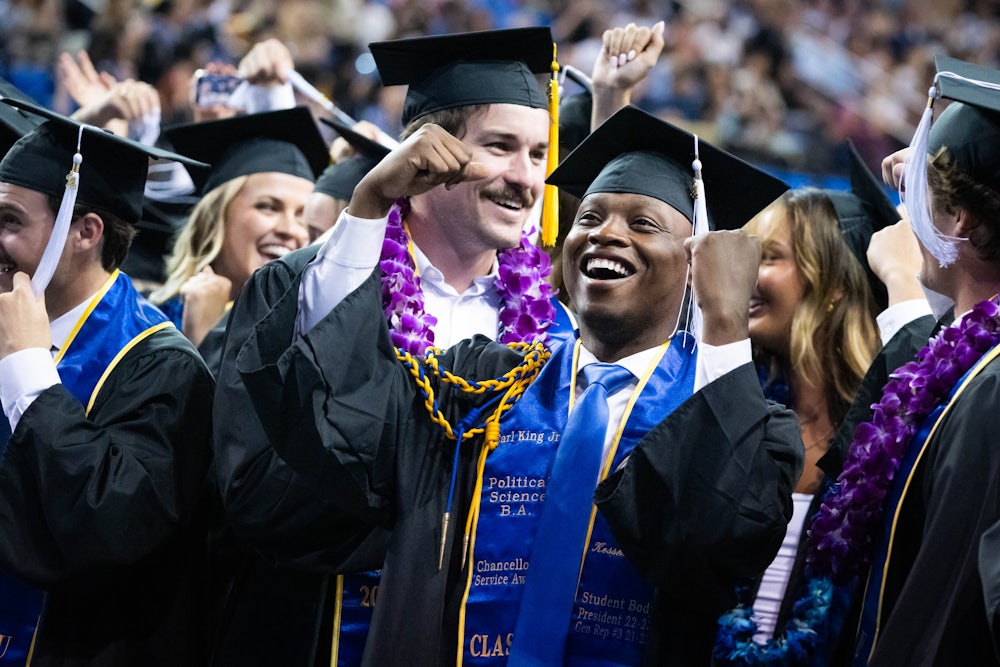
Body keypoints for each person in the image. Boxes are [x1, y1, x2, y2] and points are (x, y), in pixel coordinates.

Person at [218, 104, 802, 666]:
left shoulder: (747, 422)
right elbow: (341, 422)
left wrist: (725, 327)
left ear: (696, 260)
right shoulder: (482, 381)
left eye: (642, 224)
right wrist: (369, 207)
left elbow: (721, 541)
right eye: (590, 217)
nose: (604, 235)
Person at [212, 27, 580, 667]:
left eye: (537, 153)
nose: (526, 178)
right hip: (309, 631)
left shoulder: (553, 329)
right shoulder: (299, 285)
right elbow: (254, 488)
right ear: (427, 153)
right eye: (500, 147)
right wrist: (365, 206)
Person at [799, 55, 1000, 665]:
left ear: (961, 221)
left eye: (921, 198)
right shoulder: (961, 358)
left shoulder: (990, 389)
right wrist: (938, 191)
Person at [0, 97, 215, 666]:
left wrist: (29, 374)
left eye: (9, 221)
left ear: (86, 231)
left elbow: (112, 527)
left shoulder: (163, 367)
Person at [712, 143, 898, 663]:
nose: (746, 275)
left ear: (833, 284)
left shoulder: (886, 444)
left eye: (768, 257)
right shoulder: (738, 412)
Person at [148, 106, 328, 368]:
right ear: (214, 219)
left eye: (303, 217)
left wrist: (206, 338)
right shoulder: (149, 325)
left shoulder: (306, 341)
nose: (290, 229)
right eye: (268, 206)